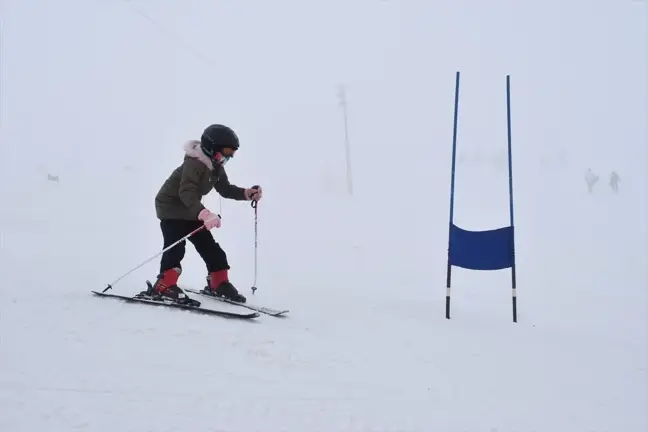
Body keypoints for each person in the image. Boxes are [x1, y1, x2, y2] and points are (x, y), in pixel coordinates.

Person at [147, 124, 262, 304]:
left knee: (211, 248)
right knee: (175, 247)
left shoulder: (215, 167)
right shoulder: (194, 163)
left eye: (232, 152)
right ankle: (164, 285)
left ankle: (218, 283)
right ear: (211, 147)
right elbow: (186, 192)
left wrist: (246, 193)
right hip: (170, 207)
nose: (229, 155)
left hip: (190, 210)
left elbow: (224, 188)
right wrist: (204, 213)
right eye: (226, 150)